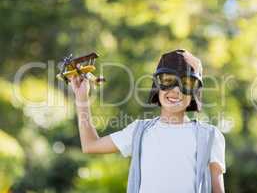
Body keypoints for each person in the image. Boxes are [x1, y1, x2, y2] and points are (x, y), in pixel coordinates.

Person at [70, 49, 226, 193]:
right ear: (157, 85)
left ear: (194, 92)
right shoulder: (139, 131)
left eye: (186, 83)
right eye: (168, 80)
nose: (176, 90)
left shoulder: (209, 136)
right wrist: (81, 98)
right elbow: (90, 145)